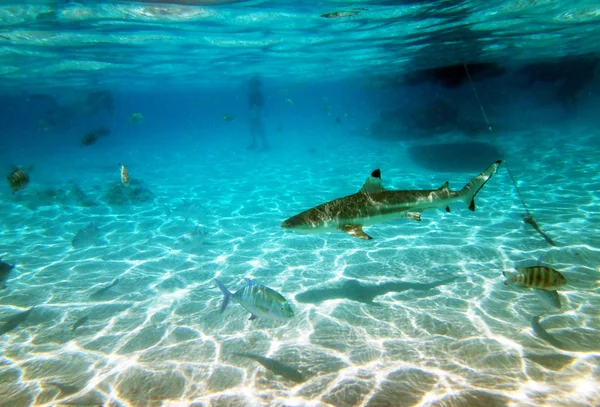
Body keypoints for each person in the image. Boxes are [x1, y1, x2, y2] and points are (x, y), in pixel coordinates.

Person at [247, 75, 268, 150]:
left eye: (252, 85)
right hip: (253, 112)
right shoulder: (252, 94)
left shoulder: (258, 95)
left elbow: (259, 107)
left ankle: (265, 145)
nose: (251, 87)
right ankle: (255, 143)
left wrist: (255, 115)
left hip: (257, 113)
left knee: (259, 128)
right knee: (252, 128)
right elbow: (252, 106)